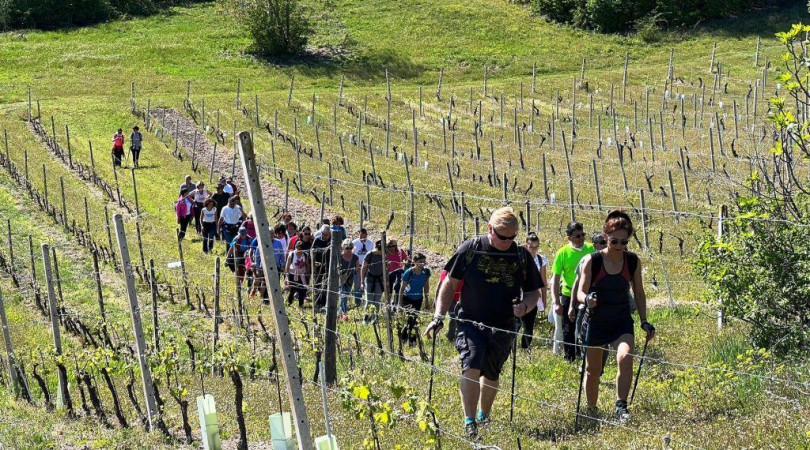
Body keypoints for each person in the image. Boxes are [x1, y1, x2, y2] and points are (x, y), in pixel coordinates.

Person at [424, 207, 543, 438]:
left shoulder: (521, 256)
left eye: (512, 237)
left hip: (503, 325)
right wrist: (438, 316)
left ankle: (483, 415)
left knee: (491, 373)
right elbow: (449, 283)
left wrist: (524, 308)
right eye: (502, 236)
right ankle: (469, 420)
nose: (507, 242)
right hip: (470, 321)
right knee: (471, 363)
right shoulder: (471, 249)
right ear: (489, 229)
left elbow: (533, 293)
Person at [576, 210, 655, 423]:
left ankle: (621, 406)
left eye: (624, 241)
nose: (619, 245)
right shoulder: (593, 261)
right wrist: (587, 300)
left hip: (621, 320)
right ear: (605, 236)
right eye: (614, 241)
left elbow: (639, 292)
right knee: (593, 370)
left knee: (625, 356)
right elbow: (579, 292)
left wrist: (644, 321)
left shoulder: (632, 261)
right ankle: (592, 410)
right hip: (595, 321)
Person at [550, 221, 595, 362]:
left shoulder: (591, 249)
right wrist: (556, 302)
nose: (581, 238)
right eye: (577, 236)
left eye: (583, 235)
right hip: (568, 294)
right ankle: (570, 358)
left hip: (586, 294)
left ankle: (584, 356)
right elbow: (555, 279)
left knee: (585, 325)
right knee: (567, 328)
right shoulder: (562, 253)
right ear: (569, 238)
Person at [520, 232, 548, 350]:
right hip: (518, 294)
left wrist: (545, 300)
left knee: (529, 325)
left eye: (536, 247)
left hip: (533, 296)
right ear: (526, 245)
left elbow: (543, 282)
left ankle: (525, 347)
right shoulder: (519, 257)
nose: (534, 250)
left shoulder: (541, 260)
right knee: (515, 324)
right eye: (532, 247)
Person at [397, 253, 431, 346]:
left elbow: (426, 286)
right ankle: (409, 339)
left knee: (414, 319)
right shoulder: (409, 272)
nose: (422, 264)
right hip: (408, 298)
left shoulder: (426, 272)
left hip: (418, 299)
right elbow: (402, 288)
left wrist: (427, 300)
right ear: (414, 262)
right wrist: (399, 304)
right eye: (420, 262)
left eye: (424, 262)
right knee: (410, 319)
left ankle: (407, 339)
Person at [360, 240, 385, 322]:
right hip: (370, 280)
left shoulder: (384, 255)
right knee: (369, 301)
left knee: (377, 301)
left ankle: (375, 319)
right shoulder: (370, 254)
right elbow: (363, 268)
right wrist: (362, 281)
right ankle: (366, 319)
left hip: (380, 281)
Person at [311, 225, 332, 309]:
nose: (325, 236)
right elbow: (312, 252)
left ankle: (324, 303)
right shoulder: (317, 240)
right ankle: (317, 303)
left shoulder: (331, 242)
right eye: (324, 234)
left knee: (326, 285)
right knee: (317, 285)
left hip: (328, 267)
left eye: (327, 234)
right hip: (318, 267)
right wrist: (314, 262)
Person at [338, 238, 360, 320]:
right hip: (340, 279)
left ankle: (340, 313)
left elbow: (358, 270)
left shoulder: (355, 258)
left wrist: (359, 281)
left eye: (351, 248)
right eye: (347, 248)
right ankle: (344, 313)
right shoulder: (339, 257)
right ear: (343, 248)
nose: (349, 250)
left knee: (345, 296)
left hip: (349, 280)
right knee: (342, 296)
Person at [352, 228, 374, 307]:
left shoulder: (370, 243)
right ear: (359, 235)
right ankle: (357, 303)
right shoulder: (354, 243)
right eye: (361, 235)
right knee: (357, 285)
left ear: (367, 235)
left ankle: (367, 302)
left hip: (367, 267)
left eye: (364, 236)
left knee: (366, 284)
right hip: (357, 267)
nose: (363, 237)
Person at [285, 240, 310, 307]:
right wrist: (287, 276)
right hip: (292, 275)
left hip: (302, 274)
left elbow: (307, 264)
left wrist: (307, 274)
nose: (299, 251)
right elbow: (287, 266)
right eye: (298, 249)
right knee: (292, 289)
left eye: (301, 249)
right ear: (296, 247)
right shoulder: (291, 254)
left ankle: (301, 304)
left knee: (302, 290)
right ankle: (289, 303)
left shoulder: (305, 255)